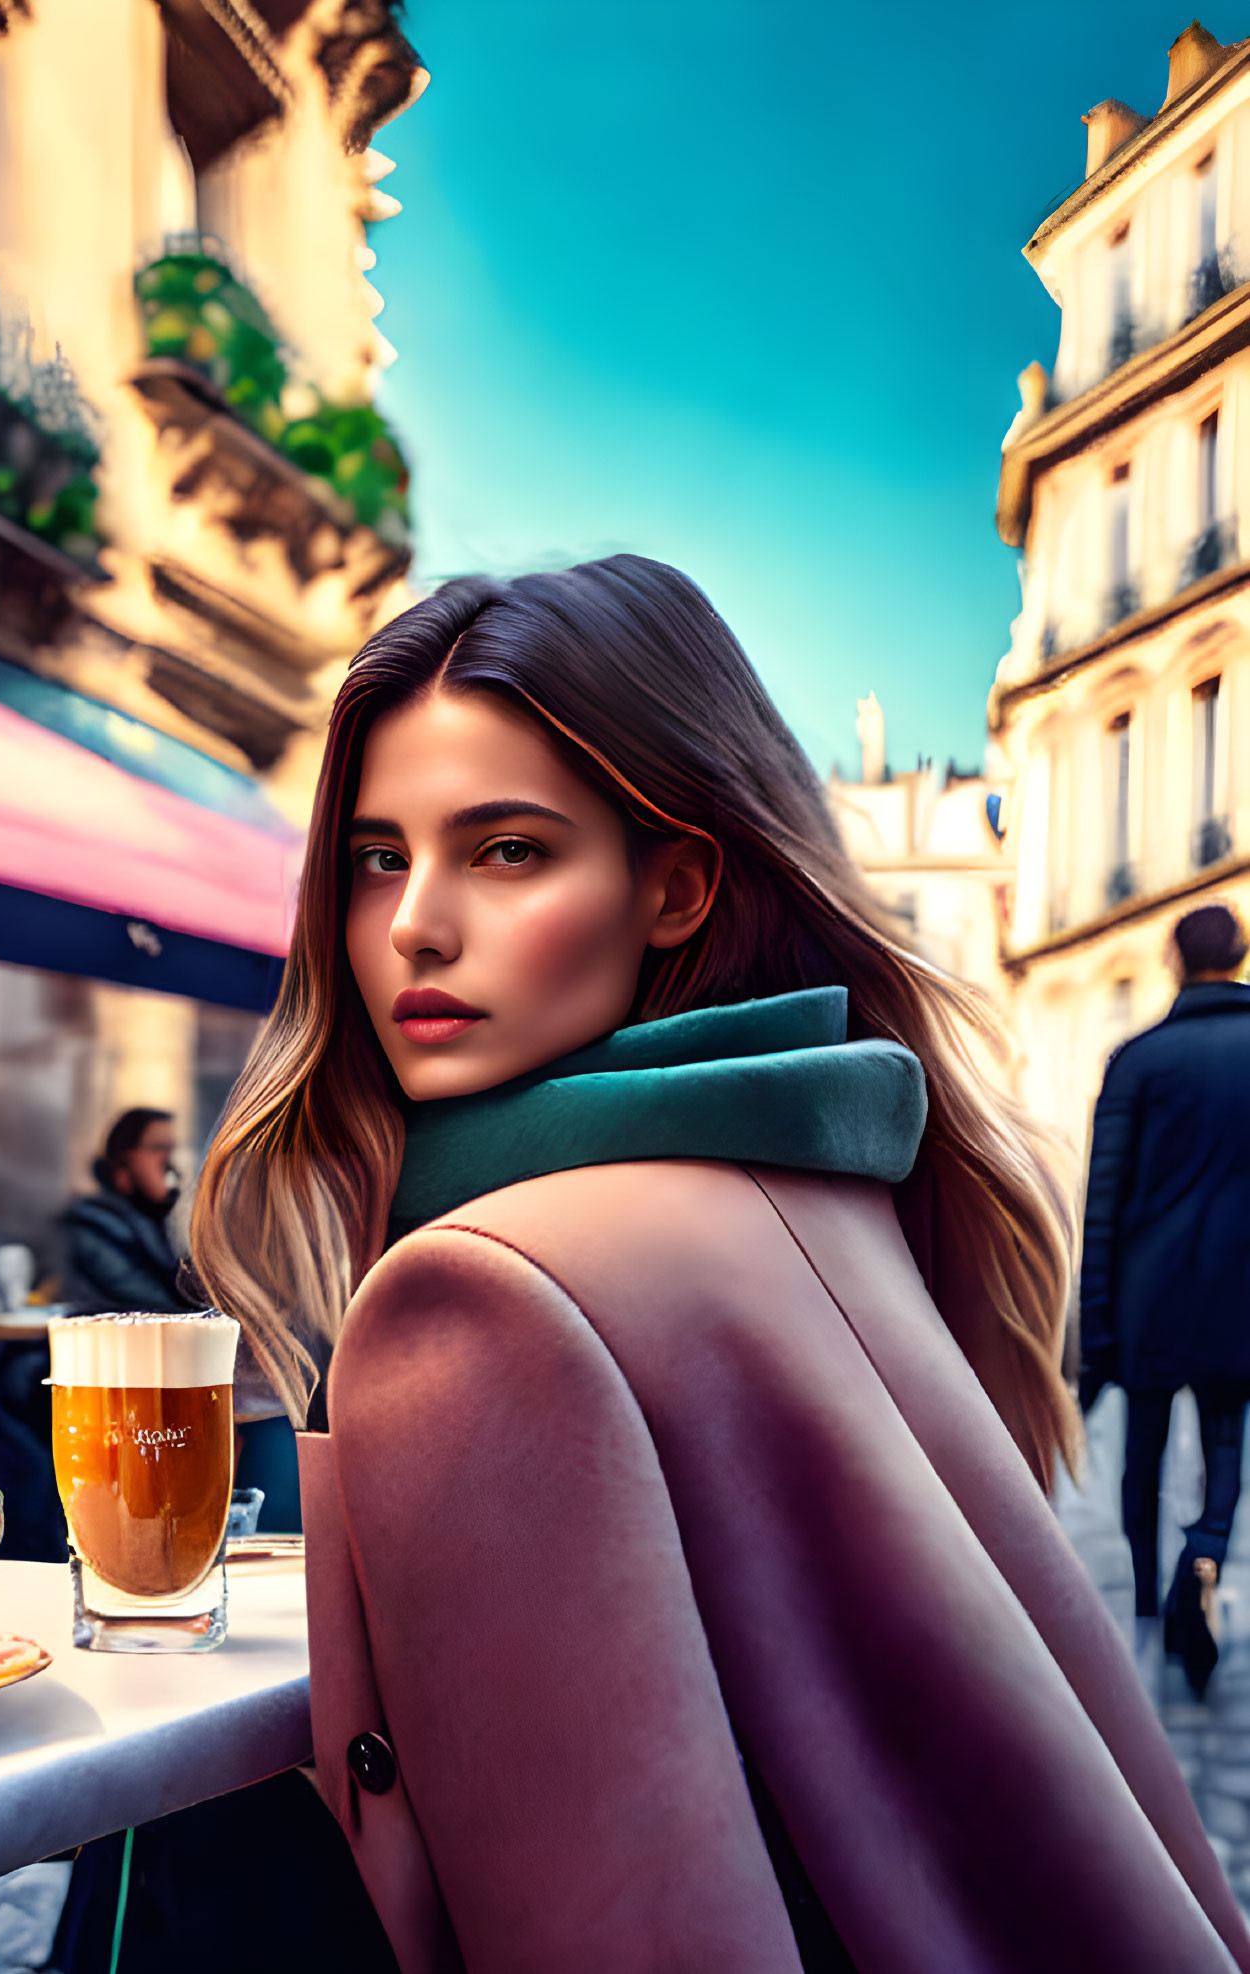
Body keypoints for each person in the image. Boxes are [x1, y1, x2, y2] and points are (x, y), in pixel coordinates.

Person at [187, 558, 1250, 1968]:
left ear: (675, 885)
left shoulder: (480, 1296)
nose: (410, 925)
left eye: (505, 849)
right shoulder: (821, 1188)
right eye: (379, 855)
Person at [1080, 902, 1250, 1697]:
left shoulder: (1137, 1061)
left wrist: (1098, 1327)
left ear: (1175, 960)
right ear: (1242, 954)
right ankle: (1205, 1551)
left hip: (1150, 1299)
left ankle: (1151, 1610)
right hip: (1238, 1298)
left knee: (1139, 1464)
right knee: (1224, 1447)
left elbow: (1103, 1203)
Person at [60, 1108, 195, 1313]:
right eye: (158, 1148)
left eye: (172, 1150)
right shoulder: (89, 1224)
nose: (169, 1162)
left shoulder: (160, 1219)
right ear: (123, 1161)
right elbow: (156, 1303)